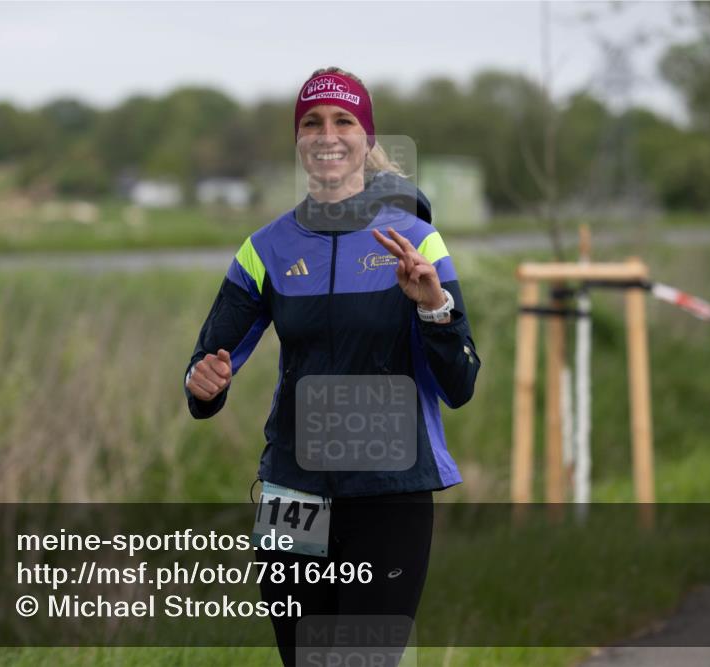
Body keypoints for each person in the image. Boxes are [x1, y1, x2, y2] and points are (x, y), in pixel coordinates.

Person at [184, 66, 480, 666]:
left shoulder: (417, 240)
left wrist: (434, 308)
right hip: (292, 493)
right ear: (298, 140)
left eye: (344, 120)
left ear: (366, 141)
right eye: (312, 122)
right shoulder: (264, 248)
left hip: (390, 490)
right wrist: (203, 383)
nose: (327, 134)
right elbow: (205, 370)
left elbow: (461, 383)